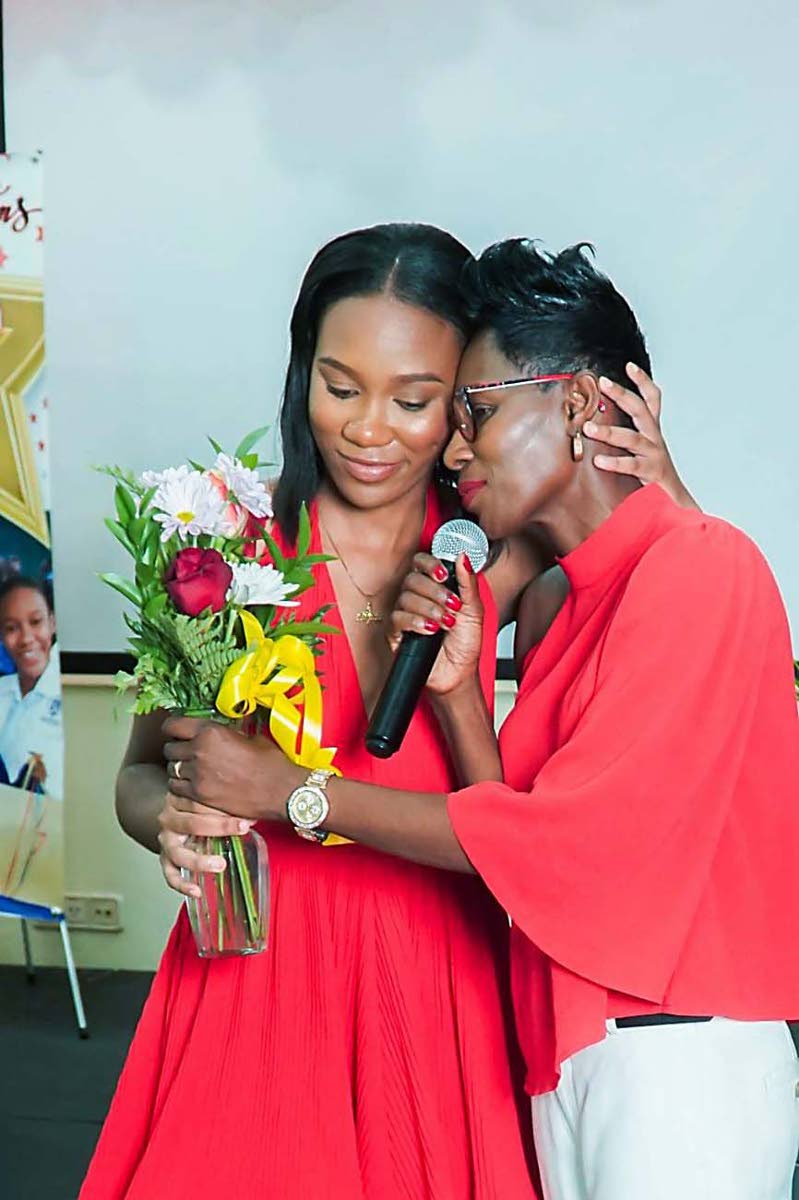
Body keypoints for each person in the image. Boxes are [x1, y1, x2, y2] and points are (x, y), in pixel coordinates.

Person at [164, 240, 799, 1200]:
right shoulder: (566, 603)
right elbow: (520, 855)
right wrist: (460, 698)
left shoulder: (700, 566)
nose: (452, 448)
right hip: (565, 1056)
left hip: (676, 1063)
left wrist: (292, 794)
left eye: (472, 412)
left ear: (579, 405)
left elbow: (572, 846)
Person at [0, 576, 62, 800]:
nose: (26, 638)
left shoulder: (66, 690)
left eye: (36, 622)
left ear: (52, 623)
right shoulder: (3, 692)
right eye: (11, 628)